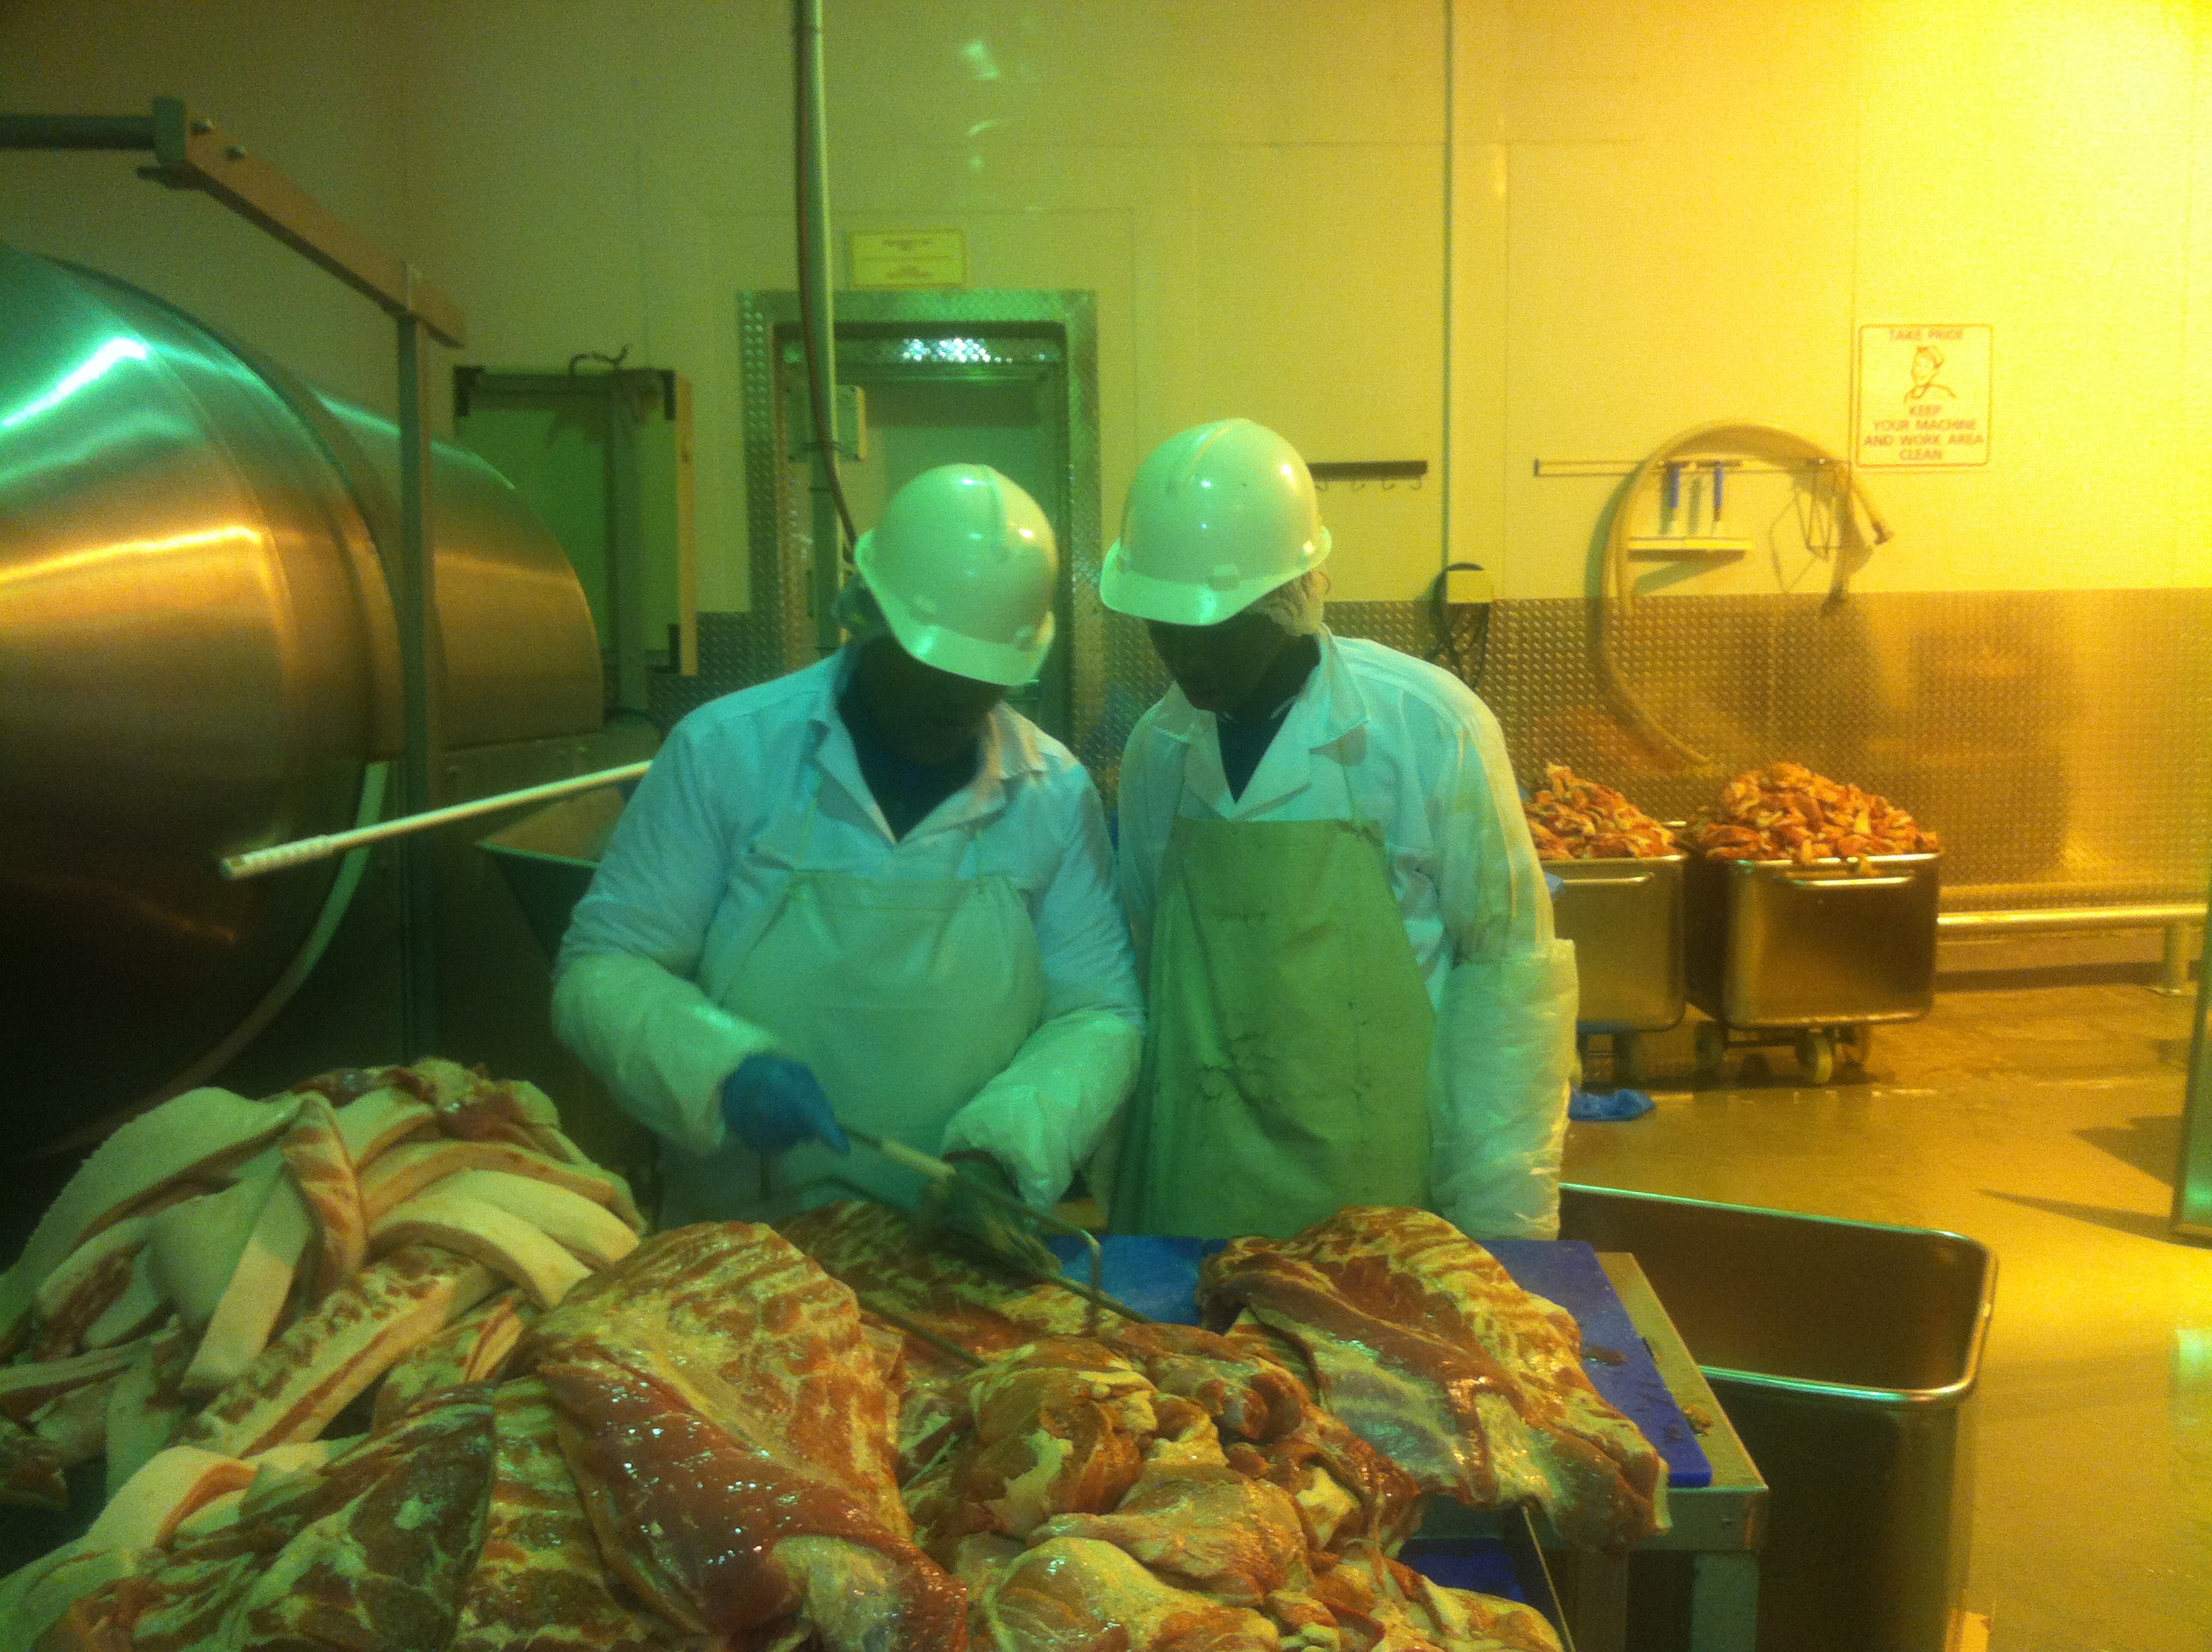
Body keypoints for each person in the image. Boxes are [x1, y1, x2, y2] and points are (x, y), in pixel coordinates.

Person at [554, 464, 1142, 1259]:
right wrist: (716, 1067)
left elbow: (1098, 1012)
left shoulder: (1053, 791)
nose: (954, 699)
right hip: (742, 1252)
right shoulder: (726, 751)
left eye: (980, 678)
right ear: (866, 619)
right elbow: (603, 967)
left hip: (962, 1252)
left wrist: (1003, 1151)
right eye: (929, 664)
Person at [1101, 418, 1577, 1242]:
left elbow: (1507, 981)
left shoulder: (1427, 725)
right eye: (1163, 624)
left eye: (1215, 627)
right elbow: (1150, 966)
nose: (1183, 654)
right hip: (1196, 1204)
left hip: (1381, 1215)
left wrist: (1504, 1226)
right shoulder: (1160, 748)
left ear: (1287, 598)